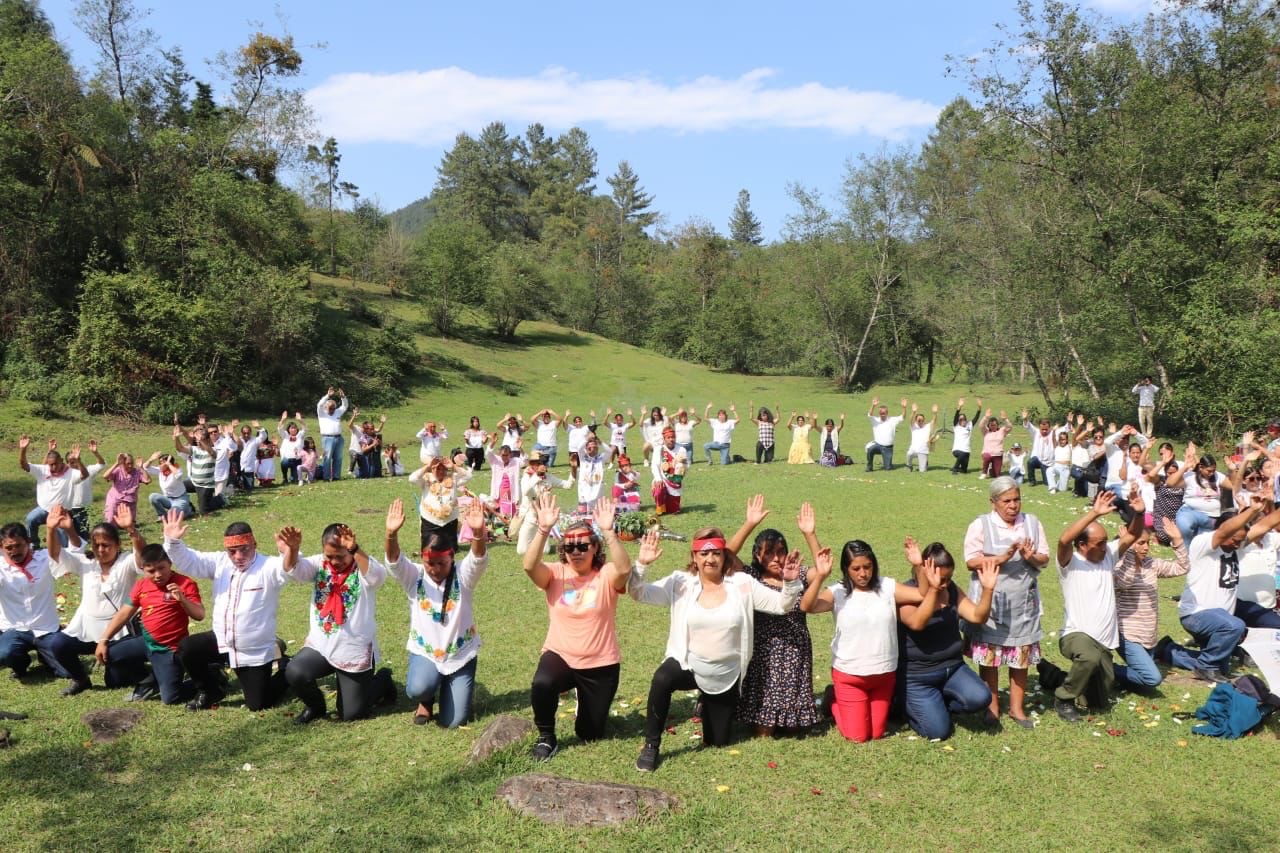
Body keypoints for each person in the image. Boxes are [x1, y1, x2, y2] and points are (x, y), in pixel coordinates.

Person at [630, 522, 802, 772]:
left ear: (724, 555)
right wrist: (642, 565)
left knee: (717, 742)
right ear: (694, 557)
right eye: (704, 553)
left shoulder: (742, 583)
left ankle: (707, 701)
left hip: (726, 672)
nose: (710, 559)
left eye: (716, 553)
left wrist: (790, 582)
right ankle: (651, 745)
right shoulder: (680, 582)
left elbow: (782, 605)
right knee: (662, 678)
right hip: (688, 663)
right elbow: (638, 593)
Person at [524, 493, 633, 760]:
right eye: (570, 548)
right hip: (560, 654)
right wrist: (543, 529)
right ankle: (546, 737)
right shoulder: (556, 573)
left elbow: (625, 568)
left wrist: (608, 531)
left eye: (583, 546)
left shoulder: (606, 573)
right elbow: (529, 565)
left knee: (590, 733)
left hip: (600, 662)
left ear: (594, 548)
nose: (576, 552)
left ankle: (585, 705)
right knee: (542, 682)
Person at [799, 520, 929, 743]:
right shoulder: (838, 592)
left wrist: (918, 565)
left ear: (874, 565)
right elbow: (807, 607)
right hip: (850, 675)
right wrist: (820, 576)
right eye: (856, 569)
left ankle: (848, 704)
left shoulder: (887, 586)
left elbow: (922, 594)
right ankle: (833, 700)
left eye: (867, 567)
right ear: (846, 570)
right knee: (858, 737)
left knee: (877, 733)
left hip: (883, 674)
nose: (862, 574)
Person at [164, 512, 299, 711]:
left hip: (253, 649)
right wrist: (173, 541)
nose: (238, 557)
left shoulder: (268, 566)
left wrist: (291, 551)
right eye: (232, 551)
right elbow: (190, 560)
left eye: (244, 550)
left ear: (255, 545)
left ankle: (288, 668)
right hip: (223, 641)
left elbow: (287, 569)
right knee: (188, 648)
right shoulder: (220, 563)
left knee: (258, 703)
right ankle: (210, 690)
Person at [386, 498, 488, 728]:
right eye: (429, 563)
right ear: (422, 558)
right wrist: (391, 534)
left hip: (460, 654)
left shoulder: (463, 575)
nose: (435, 569)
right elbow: (394, 561)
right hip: (427, 652)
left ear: (452, 556)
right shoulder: (415, 576)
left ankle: (455, 689)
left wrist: (478, 532)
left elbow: (478, 559)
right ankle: (426, 699)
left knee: (453, 722)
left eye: (442, 563)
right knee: (417, 688)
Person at [1158, 496, 1280, 682]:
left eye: (1240, 541)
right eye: (1234, 540)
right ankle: (1206, 667)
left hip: (1220, 621)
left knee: (1222, 665)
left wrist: (1262, 510)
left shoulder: (1235, 545)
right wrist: (1252, 510)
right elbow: (1224, 531)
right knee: (1235, 625)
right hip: (1197, 615)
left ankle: (1169, 651)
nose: (1237, 545)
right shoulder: (1204, 544)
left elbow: (1266, 525)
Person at [962, 477, 1050, 728]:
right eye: (1007, 501)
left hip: (1023, 601)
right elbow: (971, 561)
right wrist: (1003, 556)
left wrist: (1030, 556)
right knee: (991, 657)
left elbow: (1044, 559)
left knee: (1020, 656)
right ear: (993, 502)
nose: (1013, 506)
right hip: (991, 602)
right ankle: (992, 709)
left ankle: (1017, 709)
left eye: (1017, 499)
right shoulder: (981, 525)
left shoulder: (1032, 523)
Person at [1051, 488, 1145, 721]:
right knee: (1088, 659)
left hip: (1104, 640)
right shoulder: (1069, 563)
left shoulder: (1108, 556)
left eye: (1105, 542)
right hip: (1076, 634)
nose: (1105, 547)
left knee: (1098, 702)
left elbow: (1132, 535)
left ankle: (1052, 676)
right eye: (1099, 543)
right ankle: (1063, 699)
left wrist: (1140, 513)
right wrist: (1094, 513)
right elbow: (1064, 540)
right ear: (1081, 545)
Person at [286, 523, 394, 723]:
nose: (334, 561)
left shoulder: (363, 568)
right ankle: (315, 707)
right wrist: (292, 550)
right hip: (321, 646)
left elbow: (378, 577)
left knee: (352, 714)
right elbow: (294, 572)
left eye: (341, 556)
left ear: (350, 550)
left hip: (353, 650)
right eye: (330, 556)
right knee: (294, 671)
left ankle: (383, 680)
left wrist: (355, 550)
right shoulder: (319, 564)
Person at [732, 497, 818, 737]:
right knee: (764, 731)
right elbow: (726, 555)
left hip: (795, 649)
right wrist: (748, 524)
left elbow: (821, 569)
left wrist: (810, 534)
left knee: (795, 729)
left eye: (781, 552)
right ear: (757, 556)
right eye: (769, 553)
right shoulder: (751, 577)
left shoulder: (796, 574)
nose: (777, 559)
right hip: (763, 651)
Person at [898, 540, 998, 740]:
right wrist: (933, 591)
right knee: (938, 732)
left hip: (952, 668)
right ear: (925, 570)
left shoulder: (951, 590)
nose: (945, 584)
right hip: (918, 676)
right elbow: (917, 623)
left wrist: (988, 590)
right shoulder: (905, 594)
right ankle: (904, 704)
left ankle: (939, 702)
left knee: (981, 698)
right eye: (941, 579)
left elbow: (977, 616)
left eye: (949, 578)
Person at [46, 503, 148, 693]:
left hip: (117, 632)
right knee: (58, 644)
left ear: (117, 545)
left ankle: (133, 665)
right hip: (86, 628)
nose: (101, 550)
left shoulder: (126, 561)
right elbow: (56, 555)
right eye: (97, 545)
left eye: (106, 545)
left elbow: (143, 557)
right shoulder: (86, 562)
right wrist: (51, 530)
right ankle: (81, 680)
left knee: (115, 681)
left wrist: (131, 529)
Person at [1, 511, 104, 695]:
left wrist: (65, 530)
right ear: (2, 547)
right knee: (6, 653)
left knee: (65, 672)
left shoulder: (43, 558)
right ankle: (20, 666)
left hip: (46, 628)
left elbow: (75, 553)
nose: (14, 551)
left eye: (18, 546)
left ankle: (45, 655)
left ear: (29, 543)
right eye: (8, 548)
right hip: (15, 628)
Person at [94, 541, 206, 705]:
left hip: (169, 649)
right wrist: (103, 640)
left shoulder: (185, 584)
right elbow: (124, 612)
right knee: (108, 654)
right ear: (143, 569)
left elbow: (200, 615)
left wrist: (182, 599)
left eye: (161, 568)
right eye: (151, 571)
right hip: (146, 642)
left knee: (170, 698)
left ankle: (209, 674)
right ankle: (149, 680)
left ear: (170, 563)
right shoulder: (142, 585)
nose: (157, 574)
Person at [1112, 518, 1188, 692]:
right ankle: (1105, 668)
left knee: (1144, 684)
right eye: (1140, 543)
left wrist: (1177, 540)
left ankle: (1112, 674)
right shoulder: (1117, 565)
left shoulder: (1151, 564)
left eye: (1147, 543)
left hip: (1149, 635)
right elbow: (1124, 583)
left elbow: (1182, 568)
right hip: (1127, 635)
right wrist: (1129, 551)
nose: (1146, 547)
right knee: (1152, 678)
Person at [18, 436, 86, 548]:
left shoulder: (70, 473)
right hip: (44, 509)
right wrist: (23, 449)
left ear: (62, 462)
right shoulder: (43, 470)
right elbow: (24, 465)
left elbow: (84, 475)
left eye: (55, 464)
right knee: (31, 519)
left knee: (63, 543)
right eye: (50, 464)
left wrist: (78, 461)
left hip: (61, 513)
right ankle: (34, 546)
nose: (53, 467)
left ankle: (65, 554)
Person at [514, 451, 574, 555]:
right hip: (530, 517)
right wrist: (537, 475)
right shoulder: (527, 477)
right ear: (531, 464)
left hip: (544, 520)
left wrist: (573, 468)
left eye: (542, 463)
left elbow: (568, 485)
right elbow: (526, 491)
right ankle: (533, 541)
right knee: (521, 551)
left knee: (546, 551)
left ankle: (535, 542)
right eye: (537, 463)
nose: (541, 465)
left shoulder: (549, 477)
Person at [409, 455, 473, 551]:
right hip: (430, 520)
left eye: (443, 469)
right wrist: (427, 466)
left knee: (451, 550)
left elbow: (468, 476)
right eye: (437, 469)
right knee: (429, 549)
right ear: (432, 469)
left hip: (449, 520)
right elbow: (412, 479)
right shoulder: (426, 479)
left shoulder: (453, 478)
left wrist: (453, 466)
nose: (441, 471)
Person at [1168, 445, 1228, 545]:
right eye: (1209, 471)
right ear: (1201, 467)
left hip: (1212, 517)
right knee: (1185, 526)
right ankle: (1186, 550)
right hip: (1191, 511)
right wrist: (1185, 467)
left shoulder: (1218, 476)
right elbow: (1170, 483)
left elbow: (1233, 485)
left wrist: (1235, 468)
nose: (1212, 473)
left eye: (1213, 470)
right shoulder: (1191, 476)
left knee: (1204, 545)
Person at [173, 424, 224, 515]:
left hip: (206, 486)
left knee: (203, 512)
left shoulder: (214, 450)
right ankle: (188, 506)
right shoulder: (194, 449)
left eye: (201, 440)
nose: (198, 442)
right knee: (177, 487)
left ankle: (219, 499)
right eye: (197, 440)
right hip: (194, 482)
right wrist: (176, 438)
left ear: (208, 440)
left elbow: (212, 453)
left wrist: (201, 441)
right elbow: (180, 448)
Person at [68, 440, 106, 542]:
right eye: (71, 462)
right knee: (69, 535)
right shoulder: (64, 474)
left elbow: (102, 464)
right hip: (68, 508)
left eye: (76, 461)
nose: (74, 464)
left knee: (83, 534)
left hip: (82, 507)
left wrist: (95, 452)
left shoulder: (88, 470)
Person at [1146, 443, 1184, 546]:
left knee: (1182, 535)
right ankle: (1159, 537)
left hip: (1177, 519)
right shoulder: (1161, 481)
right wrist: (1163, 462)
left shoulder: (1182, 483)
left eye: (1174, 473)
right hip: (1162, 518)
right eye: (1169, 473)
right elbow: (1150, 476)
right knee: (1165, 536)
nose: (1172, 475)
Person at [101, 453, 150, 525]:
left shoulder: (137, 472)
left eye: (132, 463)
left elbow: (148, 480)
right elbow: (105, 476)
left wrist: (141, 468)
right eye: (128, 463)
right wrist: (116, 463)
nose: (130, 466)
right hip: (115, 498)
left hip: (130, 501)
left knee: (128, 525)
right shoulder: (118, 470)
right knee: (110, 522)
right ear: (122, 463)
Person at [651, 428, 688, 516]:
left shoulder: (681, 449)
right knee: (658, 489)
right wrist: (658, 478)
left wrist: (681, 467)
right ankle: (660, 507)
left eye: (673, 437)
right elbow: (654, 465)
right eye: (668, 437)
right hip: (662, 478)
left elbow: (686, 465)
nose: (671, 439)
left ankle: (671, 505)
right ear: (664, 439)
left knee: (674, 511)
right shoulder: (658, 449)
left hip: (675, 480)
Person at [316, 387, 349, 481]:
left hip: (339, 438)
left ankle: (336, 476)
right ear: (326, 407)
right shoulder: (322, 413)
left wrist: (343, 397)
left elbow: (345, 406)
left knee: (338, 458)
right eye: (330, 408)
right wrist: (328, 396)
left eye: (334, 408)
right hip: (327, 438)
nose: (332, 410)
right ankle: (326, 477)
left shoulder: (337, 412)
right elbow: (319, 405)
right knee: (327, 458)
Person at [865, 397, 907, 472]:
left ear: (887, 413)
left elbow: (902, 417)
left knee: (888, 468)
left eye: (884, 413)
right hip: (877, 445)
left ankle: (889, 464)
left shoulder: (892, 420)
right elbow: (870, 415)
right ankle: (869, 467)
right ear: (879, 413)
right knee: (870, 449)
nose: (882, 415)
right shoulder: (875, 420)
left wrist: (904, 408)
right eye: (881, 413)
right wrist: (873, 406)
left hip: (888, 447)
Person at [575, 434, 609, 513]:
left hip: (597, 489)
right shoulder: (583, 458)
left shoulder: (601, 459)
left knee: (598, 513)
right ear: (586, 449)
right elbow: (579, 449)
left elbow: (609, 451)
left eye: (594, 447)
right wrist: (587, 439)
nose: (592, 449)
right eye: (589, 448)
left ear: (597, 448)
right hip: (584, 489)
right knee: (584, 514)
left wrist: (599, 441)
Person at [950, 397, 982, 474]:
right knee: (961, 454)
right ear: (958, 421)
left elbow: (976, 417)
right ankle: (955, 468)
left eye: (964, 419)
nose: (963, 420)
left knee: (964, 471)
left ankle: (958, 468)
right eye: (960, 419)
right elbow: (956, 416)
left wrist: (979, 407)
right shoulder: (956, 426)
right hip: (957, 450)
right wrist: (959, 407)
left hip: (967, 451)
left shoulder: (969, 425)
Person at [978, 411, 1014, 479]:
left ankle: (991, 470)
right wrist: (985, 417)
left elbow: (1010, 427)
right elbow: (981, 425)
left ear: (997, 425)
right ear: (989, 425)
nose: (993, 426)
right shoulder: (986, 431)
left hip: (997, 455)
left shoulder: (1002, 431)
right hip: (987, 453)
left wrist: (1005, 419)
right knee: (987, 457)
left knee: (996, 475)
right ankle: (984, 473)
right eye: (991, 425)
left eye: (994, 425)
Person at [234, 421, 267, 492]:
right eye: (244, 433)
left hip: (249, 469)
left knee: (249, 489)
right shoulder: (238, 440)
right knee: (238, 488)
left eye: (248, 433)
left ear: (251, 432)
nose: (246, 435)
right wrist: (233, 428)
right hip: (238, 468)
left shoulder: (255, 440)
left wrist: (258, 427)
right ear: (241, 433)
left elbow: (264, 436)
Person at [905, 404, 938, 473]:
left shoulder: (927, 426)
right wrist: (914, 412)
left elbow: (934, 421)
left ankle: (925, 463)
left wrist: (935, 413)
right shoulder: (913, 427)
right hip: (913, 450)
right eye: (918, 420)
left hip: (923, 451)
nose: (920, 422)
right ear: (916, 421)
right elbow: (910, 420)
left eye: (922, 420)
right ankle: (909, 466)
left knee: (922, 471)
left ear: (924, 420)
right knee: (909, 454)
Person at [277, 411, 306, 485]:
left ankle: (293, 477)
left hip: (296, 460)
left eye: (295, 428)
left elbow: (305, 428)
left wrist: (300, 420)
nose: (293, 430)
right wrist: (283, 419)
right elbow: (280, 429)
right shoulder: (285, 435)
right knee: (284, 462)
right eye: (291, 428)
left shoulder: (300, 435)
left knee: (294, 480)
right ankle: (284, 477)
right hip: (287, 459)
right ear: (288, 429)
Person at [565, 412, 596, 479]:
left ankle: (584, 478)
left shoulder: (585, 428)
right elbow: (564, 424)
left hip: (582, 451)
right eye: (576, 422)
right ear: (574, 423)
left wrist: (593, 417)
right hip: (572, 451)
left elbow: (593, 427)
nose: (578, 423)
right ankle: (573, 479)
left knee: (583, 466)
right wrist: (566, 416)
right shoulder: (571, 428)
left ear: (582, 422)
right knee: (574, 466)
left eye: (579, 421)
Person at [1048, 430, 1073, 494]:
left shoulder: (1069, 446)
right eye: (1060, 439)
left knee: (1063, 490)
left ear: (1067, 440)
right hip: (1056, 466)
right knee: (1049, 470)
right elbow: (1053, 439)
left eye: (1063, 439)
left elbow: (1075, 439)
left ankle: (1058, 484)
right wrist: (1053, 431)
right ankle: (1052, 488)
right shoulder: (1056, 446)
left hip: (1065, 468)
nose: (1062, 441)